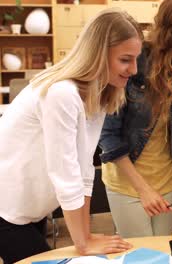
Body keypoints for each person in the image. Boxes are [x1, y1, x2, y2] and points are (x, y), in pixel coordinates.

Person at [0, 9, 139, 264]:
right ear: (99, 54)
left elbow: (84, 167)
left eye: (136, 59)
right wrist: (82, 243)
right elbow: (65, 173)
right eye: (125, 60)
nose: (134, 69)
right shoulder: (62, 93)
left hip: (30, 210)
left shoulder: (98, 93)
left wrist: (84, 236)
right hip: (6, 210)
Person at [98, 0, 172, 238]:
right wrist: (143, 190)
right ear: (168, 38)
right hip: (128, 184)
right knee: (141, 257)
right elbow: (108, 136)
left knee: (169, 254)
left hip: (168, 182)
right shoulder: (132, 64)